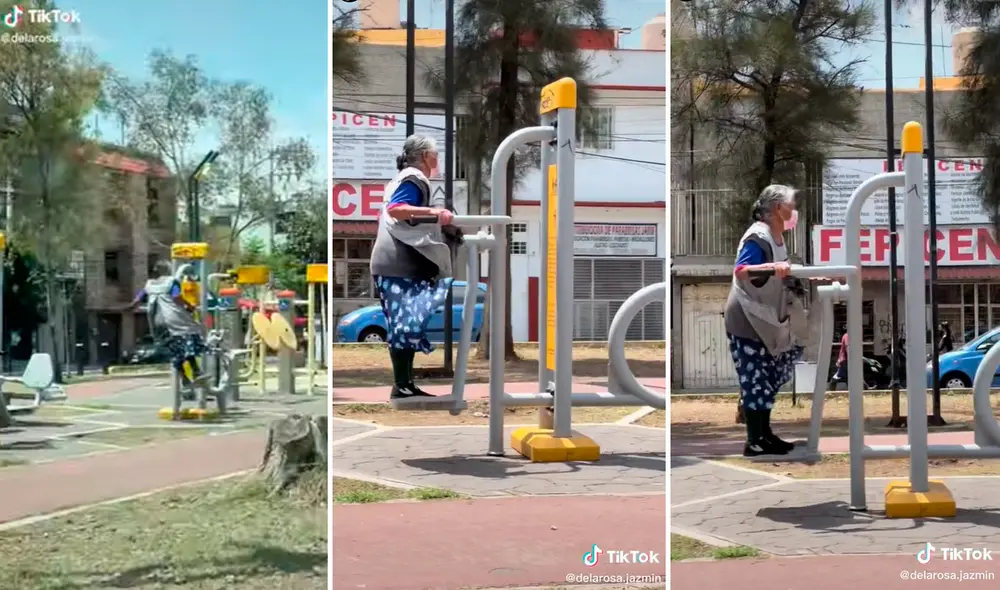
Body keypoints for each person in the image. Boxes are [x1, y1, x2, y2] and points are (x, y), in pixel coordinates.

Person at [370, 134, 462, 400]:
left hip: (400, 264)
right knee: (405, 324)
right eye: (435, 154)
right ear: (425, 156)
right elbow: (398, 209)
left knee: (408, 324)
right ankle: (402, 385)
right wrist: (435, 212)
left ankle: (406, 384)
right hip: (396, 264)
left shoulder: (404, 178)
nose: (437, 159)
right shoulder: (414, 178)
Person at [724, 184, 807, 457]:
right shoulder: (758, 237)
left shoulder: (777, 239)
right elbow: (742, 270)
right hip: (747, 320)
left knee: (770, 377)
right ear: (776, 208)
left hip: (767, 319)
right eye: (790, 205)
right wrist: (773, 267)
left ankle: (765, 433)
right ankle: (754, 439)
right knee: (755, 379)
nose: (794, 210)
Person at [127, 260, 207, 399]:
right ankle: (196, 371)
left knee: (175, 352)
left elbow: (138, 299)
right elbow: (176, 297)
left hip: (157, 322)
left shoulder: (149, 284)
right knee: (190, 337)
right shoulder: (172, 282)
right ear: (167, 270)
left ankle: (185, 381)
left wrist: (130, 307)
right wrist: (190, 306)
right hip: (172, 319)